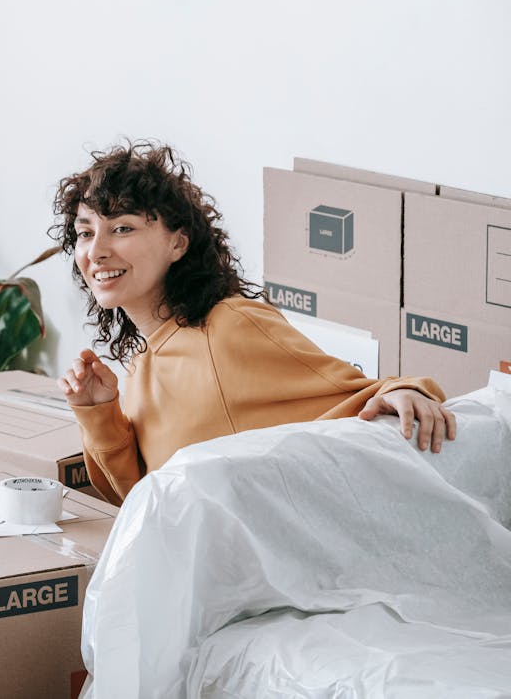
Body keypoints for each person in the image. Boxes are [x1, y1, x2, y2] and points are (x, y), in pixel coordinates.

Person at [53, 141, 453, 506]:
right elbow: (147, 503)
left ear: (178, 242)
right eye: (85, 233)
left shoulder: (228, 328)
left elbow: (355, 396)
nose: (97, 251)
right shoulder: (142, 364)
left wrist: (406, 390)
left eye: (122, 228)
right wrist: (100, 412)